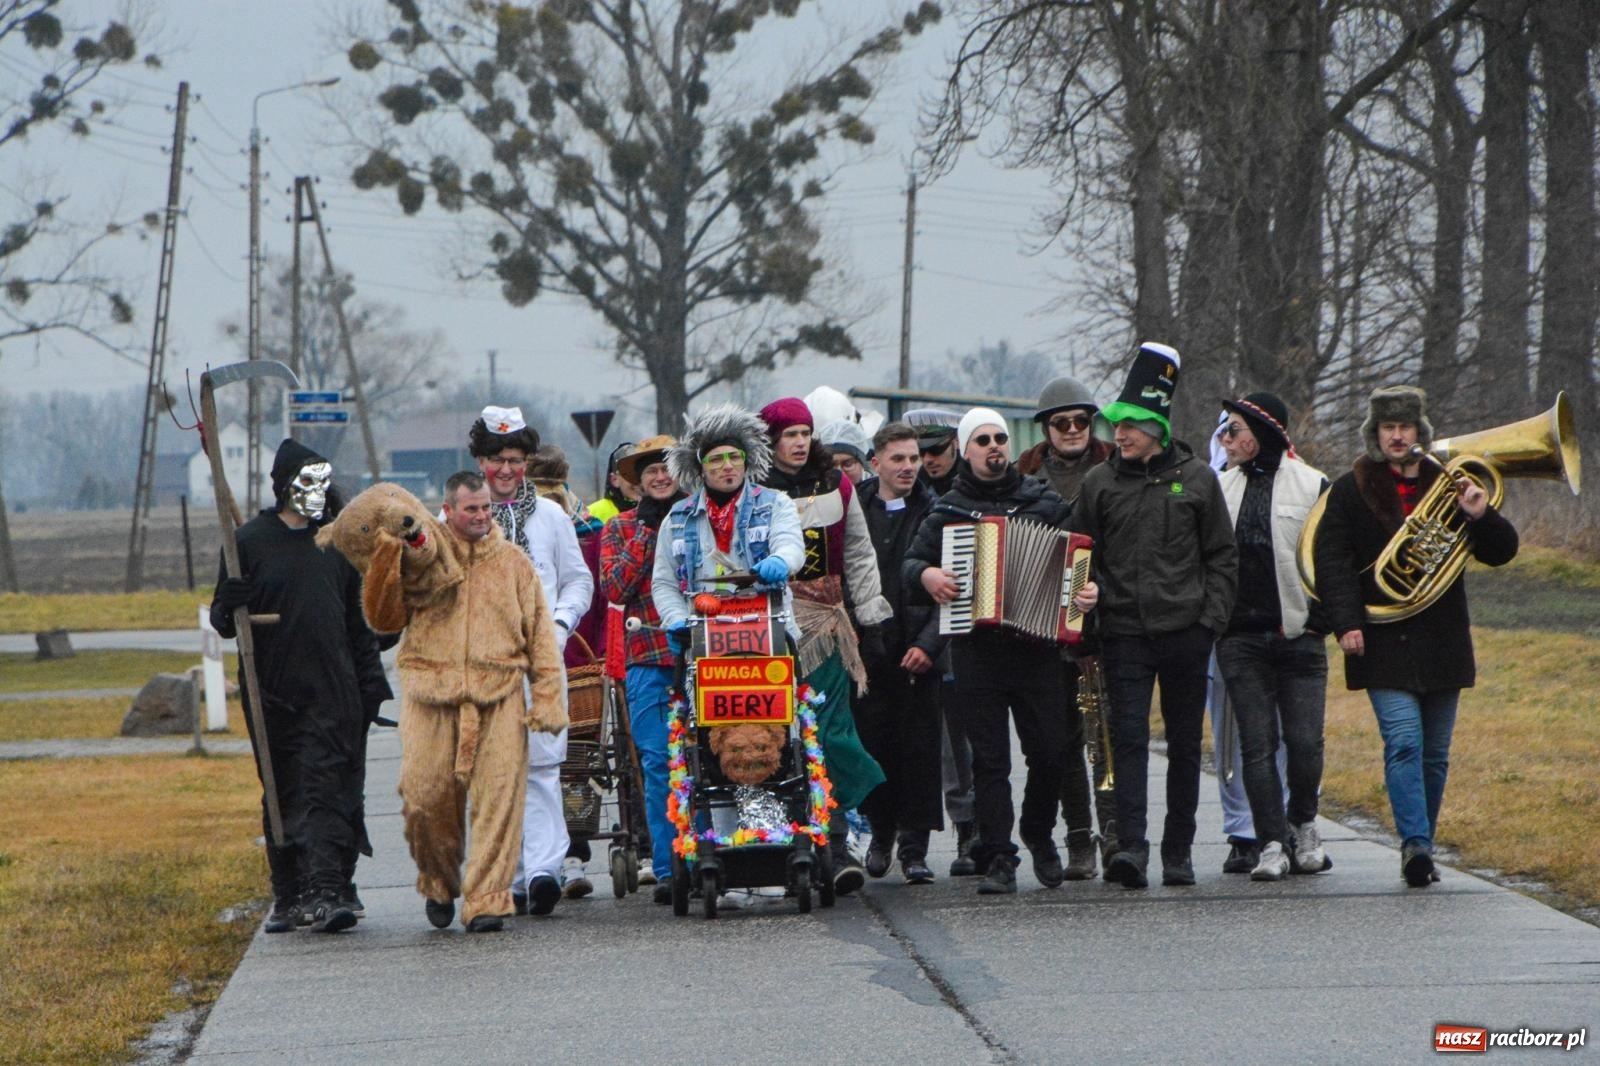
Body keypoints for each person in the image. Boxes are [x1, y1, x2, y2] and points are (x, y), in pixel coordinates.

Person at [1312, 385, 1517, 887]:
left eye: (1405, 427)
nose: (1397, 436)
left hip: (1442, 638)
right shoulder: (1349, 489)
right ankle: (1416, 844)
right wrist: (1347, 623)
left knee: (1436, 753)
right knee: (1403, 741)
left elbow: (1501, 551)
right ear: (1375, 434)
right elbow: (1332, 561)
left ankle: (1420, 839)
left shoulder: (1451, 482)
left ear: (1419, 432)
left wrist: (1479, 513)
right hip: (1381, 637)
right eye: (1388, 428)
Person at [905, 408, 1101, 895]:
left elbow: (1081, 559)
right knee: (990, 763)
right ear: (966, 451)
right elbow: (912, 564)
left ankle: (1037, 831)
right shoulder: (948, 511)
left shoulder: (1042, 501)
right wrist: (927, 576)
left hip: (1036, 650)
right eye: (982, 440)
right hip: (977, 652)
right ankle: (999, 855)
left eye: (1000, 438)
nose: (994, 447)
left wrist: (1086, 591)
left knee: (1051, 753)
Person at [1071, 343, 1237, 890]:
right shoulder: (1098, 483)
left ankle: (1179, 851)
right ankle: (1133, 849)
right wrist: (1085, 601)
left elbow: (1221, 557)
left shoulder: (1196, 480)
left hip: (1187, 633)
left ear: (1158, 429)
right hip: (1123, 633)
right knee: (1129, 741)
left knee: (1187, 744)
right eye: (1117, 425)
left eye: (1132, 425)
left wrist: (1208, 623)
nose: (1120, 434)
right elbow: (1076, 556)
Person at [211, 439, 392, 934]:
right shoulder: (246, 543)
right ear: (283, 487)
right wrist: (230, 601)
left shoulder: (336, 543)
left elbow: (362, 625)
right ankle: (290, 891)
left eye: (323, 481)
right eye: (307, 481)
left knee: (329, 784)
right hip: (273, 691)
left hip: (335, 690)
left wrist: (371, 685)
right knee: (283, 786)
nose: (318, 491)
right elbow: (224, 622)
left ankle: (329, 887)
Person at [398, 471, 567, 932]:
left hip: (500, 695)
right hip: (432, 696)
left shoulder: (514, 563)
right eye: (470, 508)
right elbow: (383, 615)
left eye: (486, 508)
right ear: (448, 510)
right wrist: (391, 563)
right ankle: (437, 880)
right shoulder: (422, 558)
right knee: (424, 799)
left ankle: (488, 899)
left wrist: (548, 697)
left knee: (500, 801)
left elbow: (541, 636)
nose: (480, 516)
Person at [758, 397, 892, 895]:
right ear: (769, 441)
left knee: (829, 733)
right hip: (766, 630)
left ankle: (835, 841)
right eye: (787, 434)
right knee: (776, 736)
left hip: (827, 628)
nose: (797, 442)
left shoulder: (837, 484)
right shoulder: (754, 491)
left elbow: (858, 551)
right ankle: (785, 845)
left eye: (803, 433)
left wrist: (872, 617)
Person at [467, 408, 594, 914]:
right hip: (482, 665)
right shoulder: (458, 518)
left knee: (542, 766)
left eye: (515, 460)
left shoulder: (552, 516)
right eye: (496, 459)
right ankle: (512, 874)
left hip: (541, 659)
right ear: (480, 461)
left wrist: (560, 626)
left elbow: (578, 580)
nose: (505, 470)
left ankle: (544, 869)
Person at [1213, 393, 1333, 881]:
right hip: (1240, 638)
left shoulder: (1313, 485)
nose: (1225, 439)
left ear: (1261, 432)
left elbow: (1332, 558)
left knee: (1305, 743)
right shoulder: (1219, 488)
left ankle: (1303, 822)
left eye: (1234, 429)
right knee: (1256, 746)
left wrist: (1322, 618)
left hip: (1299, 635)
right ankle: (1270, 842)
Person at [1017, 375, 1115, 880]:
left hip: (1107, 619)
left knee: (1107, 734)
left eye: (1082, 420)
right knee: (1063, 739)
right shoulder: (1023, 475)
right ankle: (1079, 838)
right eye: (1062, 422)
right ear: (1046, 429)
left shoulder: (1117, 466)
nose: (1074, 429)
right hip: (1044, 625)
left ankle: (1116, 836)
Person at [855, 422, 946, 884]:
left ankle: (914, 848)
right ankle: (879, 834)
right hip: (868, 650)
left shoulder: (936, 509)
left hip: (918, 651)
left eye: (913, 458)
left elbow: (953, 585)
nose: (909, 467)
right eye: (898, 459)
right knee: (874, 747)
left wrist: (929, 644)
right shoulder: (856, 508)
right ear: (876, 463)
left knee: (919, 752)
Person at [600, 434, 685, 904]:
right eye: (649, 470)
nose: (659, 475)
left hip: (701, 654)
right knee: (656, 764)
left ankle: (712, 855)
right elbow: (615, 586)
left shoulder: (700, 518)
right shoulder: (621, 529)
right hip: (648, 658)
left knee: (709, 761)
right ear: (636, 483)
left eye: (666, 467)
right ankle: (670, 866)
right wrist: (650, 532)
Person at [903, 405, 976, 873]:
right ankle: (913, 839)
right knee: (922, 744)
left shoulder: (965, 494)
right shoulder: (917, 497)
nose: (928, 460)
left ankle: (970, 832)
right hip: (922, 628)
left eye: (938, 450)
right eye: (920, 452)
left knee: (960, 747)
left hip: (961, 630)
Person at [589, 440, 639, 524]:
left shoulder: (661, 510)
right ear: (614, 480)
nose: (638, 480)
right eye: (630, 473)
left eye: (643, 472)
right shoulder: (592, 514)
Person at [819, 418, 873, 486]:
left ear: (862, 464)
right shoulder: (814, 494)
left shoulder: (877, 493)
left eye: (847, 464)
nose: (840, 473)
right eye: (831, 465)